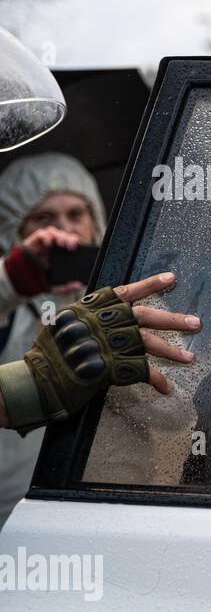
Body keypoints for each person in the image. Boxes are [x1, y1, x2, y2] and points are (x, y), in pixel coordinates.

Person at [0, 152, 199, 519]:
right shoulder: (8, 311)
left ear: (97, 219)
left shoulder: (128, 307)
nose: (65, 228)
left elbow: (180, 414)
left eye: (76, 214)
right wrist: (11, 281)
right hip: (13, 518)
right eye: (44, 218)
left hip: (105, 512)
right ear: (13, 229)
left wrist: (110, 373)